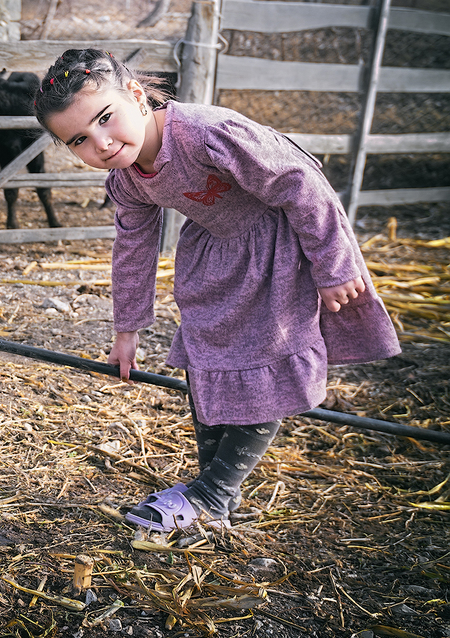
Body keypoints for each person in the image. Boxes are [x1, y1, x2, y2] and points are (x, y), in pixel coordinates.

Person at [32, 48, 401, 532]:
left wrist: (333, 267)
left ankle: (213, 494)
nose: (100, 142)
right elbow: (133, 248)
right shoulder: (127, 179)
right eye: (79, 138)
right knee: (207, 359)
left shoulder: (209, 135)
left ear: (137, 97)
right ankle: (212, 492)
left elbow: (303, 184)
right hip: (215, 255)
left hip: (279, 244)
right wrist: (128, 327)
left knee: (258, 361)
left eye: (106, 118)